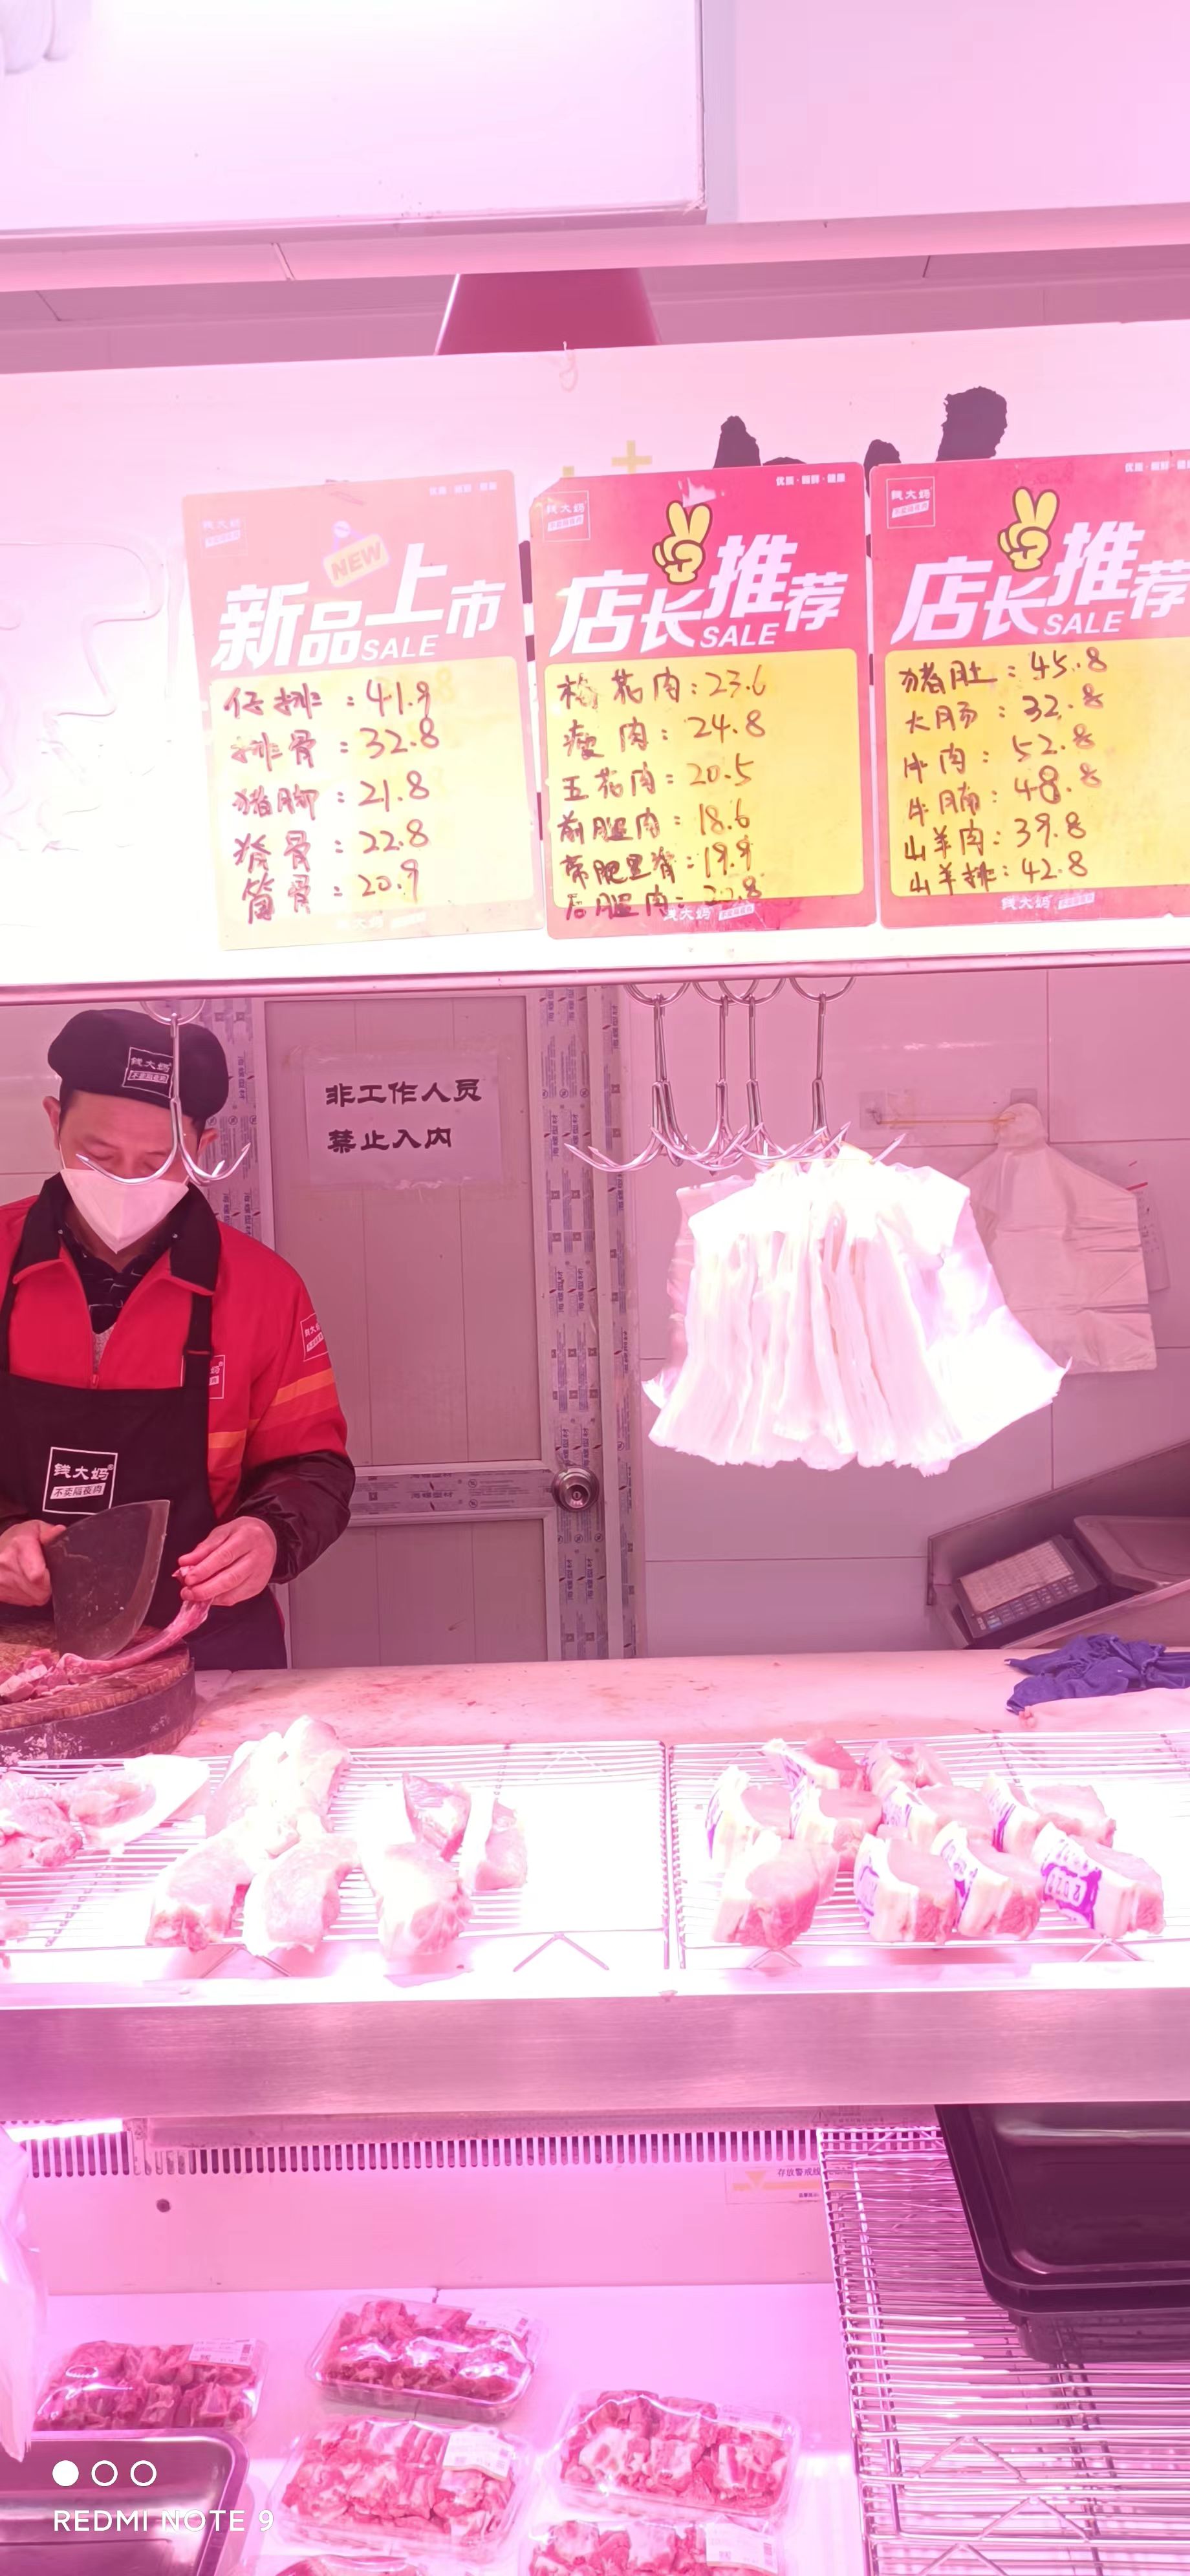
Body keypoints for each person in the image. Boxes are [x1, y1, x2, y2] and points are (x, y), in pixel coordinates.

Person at [0, 1007, 354, 1670]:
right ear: (53, 1122)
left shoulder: (264, 1289)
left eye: (157, 1161)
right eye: (99, 1156)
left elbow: (313, 1467)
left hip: (205, 1640)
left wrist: (268, 1534)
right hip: (13, 1650)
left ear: (203, 1147)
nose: (125, 1182)